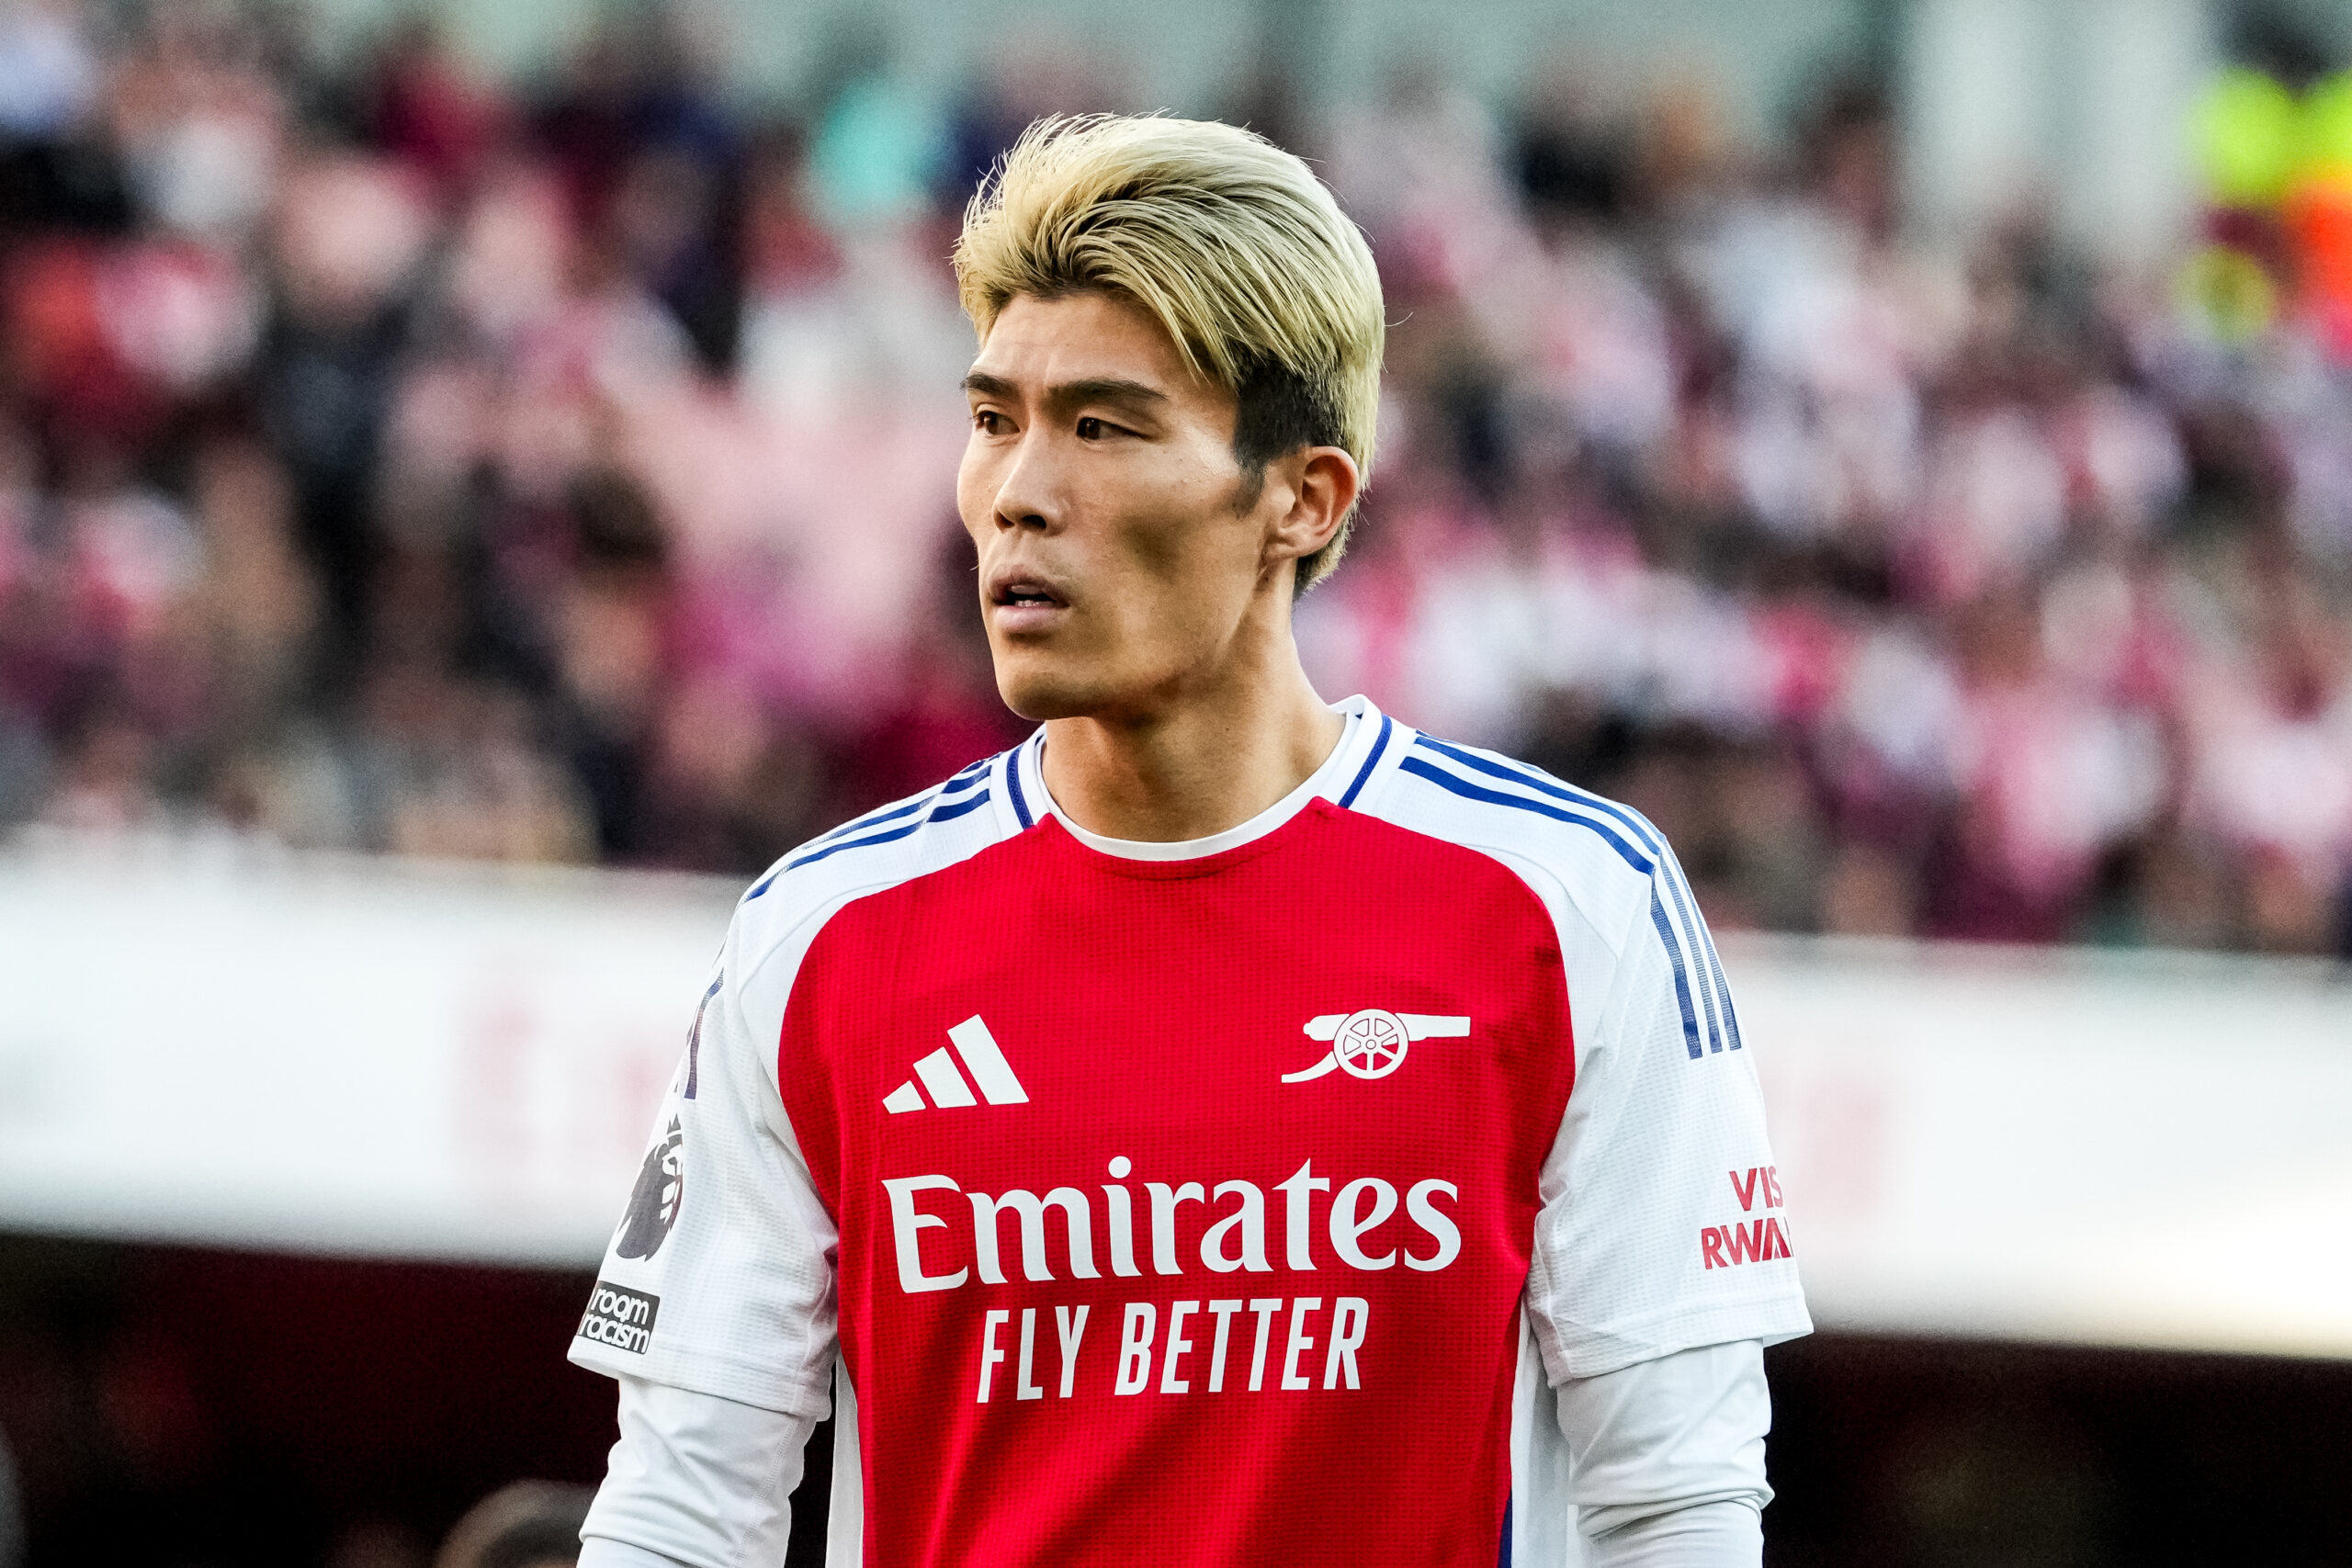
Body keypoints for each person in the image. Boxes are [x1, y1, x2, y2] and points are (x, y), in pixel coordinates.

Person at [567, 114, 1808, 1568]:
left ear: (1303, 496)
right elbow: (677, 1511)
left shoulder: (1572, 908)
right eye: (991, 420)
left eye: (1103, 425)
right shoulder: (821, 938)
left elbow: (1682, 1504)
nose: (1018, 492)